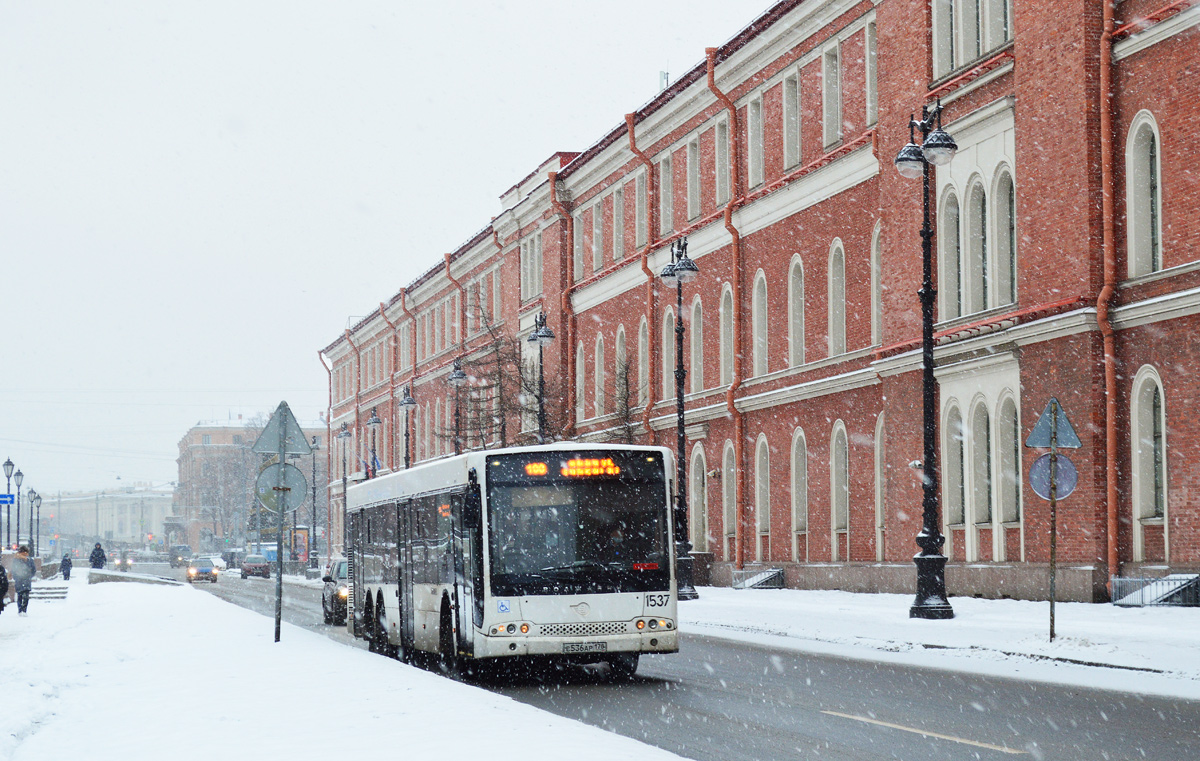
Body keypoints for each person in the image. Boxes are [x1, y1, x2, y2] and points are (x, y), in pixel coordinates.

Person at [11, 545, 36, 616]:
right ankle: (24, 610)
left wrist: (16, 577)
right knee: (26, 596)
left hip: (19, 580)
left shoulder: (16, 559)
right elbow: (33, 570)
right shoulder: (29, 560)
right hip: (26, 580)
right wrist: (29, 576)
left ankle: (20, 610)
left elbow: (13, 570)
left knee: (19, 595)